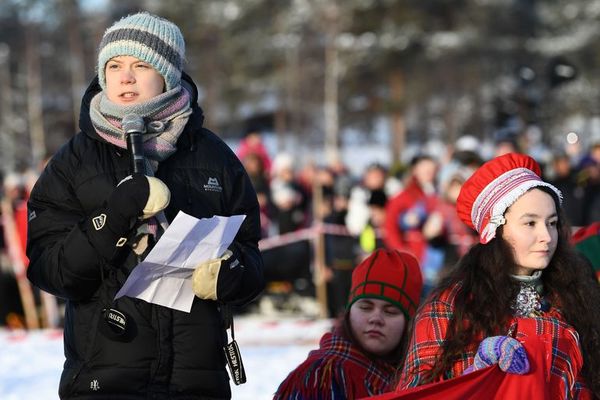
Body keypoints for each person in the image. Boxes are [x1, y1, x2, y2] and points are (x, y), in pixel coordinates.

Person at [26, 12, 264, 400]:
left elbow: (252, 257)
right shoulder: (74, 161)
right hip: (105, 380)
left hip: (196, 381)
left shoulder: (215, 157)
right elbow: (52, 270)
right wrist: (115, 215)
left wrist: (230, 273)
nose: (125, 77)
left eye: (141, 64)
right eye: (114, 65)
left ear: (168, 74)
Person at [396, 153, 600, 398]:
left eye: (552, 223)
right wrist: (476, 373)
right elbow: (415, 390)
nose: (547, 236)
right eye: (530, 224)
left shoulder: (573, 297)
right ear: (495, 230)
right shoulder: (452, 305)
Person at [274, 248, 423, 399]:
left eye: (390, 311)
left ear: (409, 324)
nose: (375, 318)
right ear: (349, 312)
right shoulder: (321, 378)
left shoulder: (417, 380)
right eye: (365, 307)